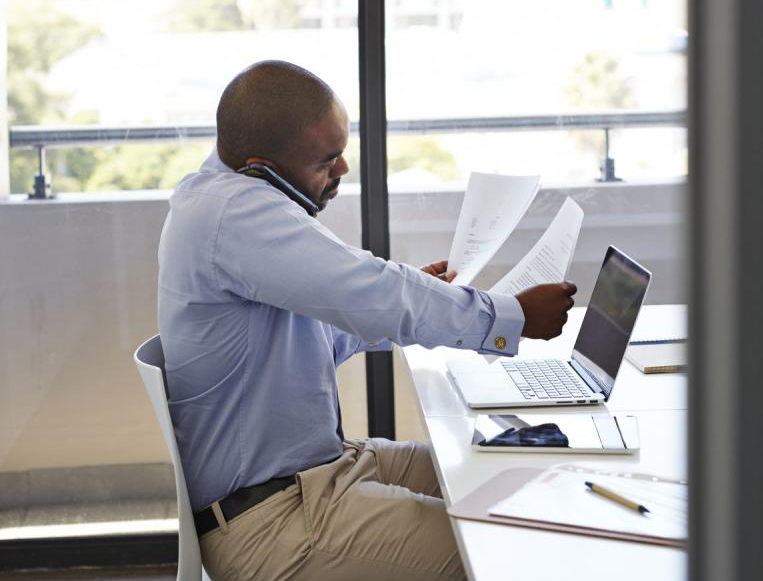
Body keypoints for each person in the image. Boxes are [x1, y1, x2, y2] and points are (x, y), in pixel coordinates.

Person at [157, 60, 577, 581]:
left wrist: (426, 299)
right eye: (327, 159)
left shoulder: (228, 198)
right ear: (261, 164)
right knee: (506, 546)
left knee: (513, 474)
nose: (343, 170)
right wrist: (511, 317)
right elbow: (374, 288)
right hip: (276, 521)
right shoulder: (234, 213)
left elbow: (333, 325)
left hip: (324, 471)